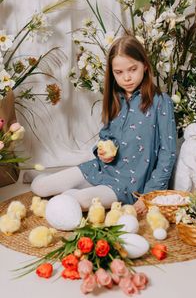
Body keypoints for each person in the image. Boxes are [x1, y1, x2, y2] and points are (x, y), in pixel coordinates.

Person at [31, 35, 176, 216]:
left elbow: (167, 154)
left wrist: (149, 195)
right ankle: (46, 181)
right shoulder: (115, 98)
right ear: (112, 73)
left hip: (127, 184)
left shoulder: (161, 102)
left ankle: (66, 196)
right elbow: (106, 137)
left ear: (145, 66)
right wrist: (101, 151)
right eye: (119, 72)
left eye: (133, 69)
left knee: (79, 201)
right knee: (40, 188)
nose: (127, 78)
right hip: (100, 168)